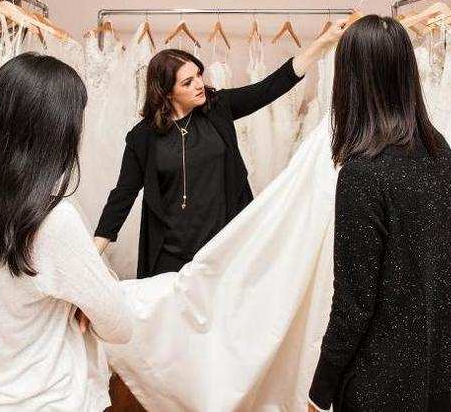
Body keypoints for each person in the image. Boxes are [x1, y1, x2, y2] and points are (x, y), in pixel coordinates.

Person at [0, 53, 133, 411]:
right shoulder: (52, 219)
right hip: (52, 399)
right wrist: (84, 300)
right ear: (57, 130)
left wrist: (77, 297)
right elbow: (119, 325)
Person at [308, 16, 451, 412]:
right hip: (433, 370)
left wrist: (321, 386)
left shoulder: (364, 173)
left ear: (351, 82)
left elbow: (354, 301)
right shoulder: (441, 153)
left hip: (378, 380)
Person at [93, 38, 333, 278]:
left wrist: (323, 41)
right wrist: (93, 259)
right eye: (188, 82)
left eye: (199, 75)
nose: (199, 84)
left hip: (225, 248)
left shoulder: (218, 107)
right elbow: (122, 197)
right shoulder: (142, 137)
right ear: (166, 92)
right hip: (170, 257)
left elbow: (270, 87)